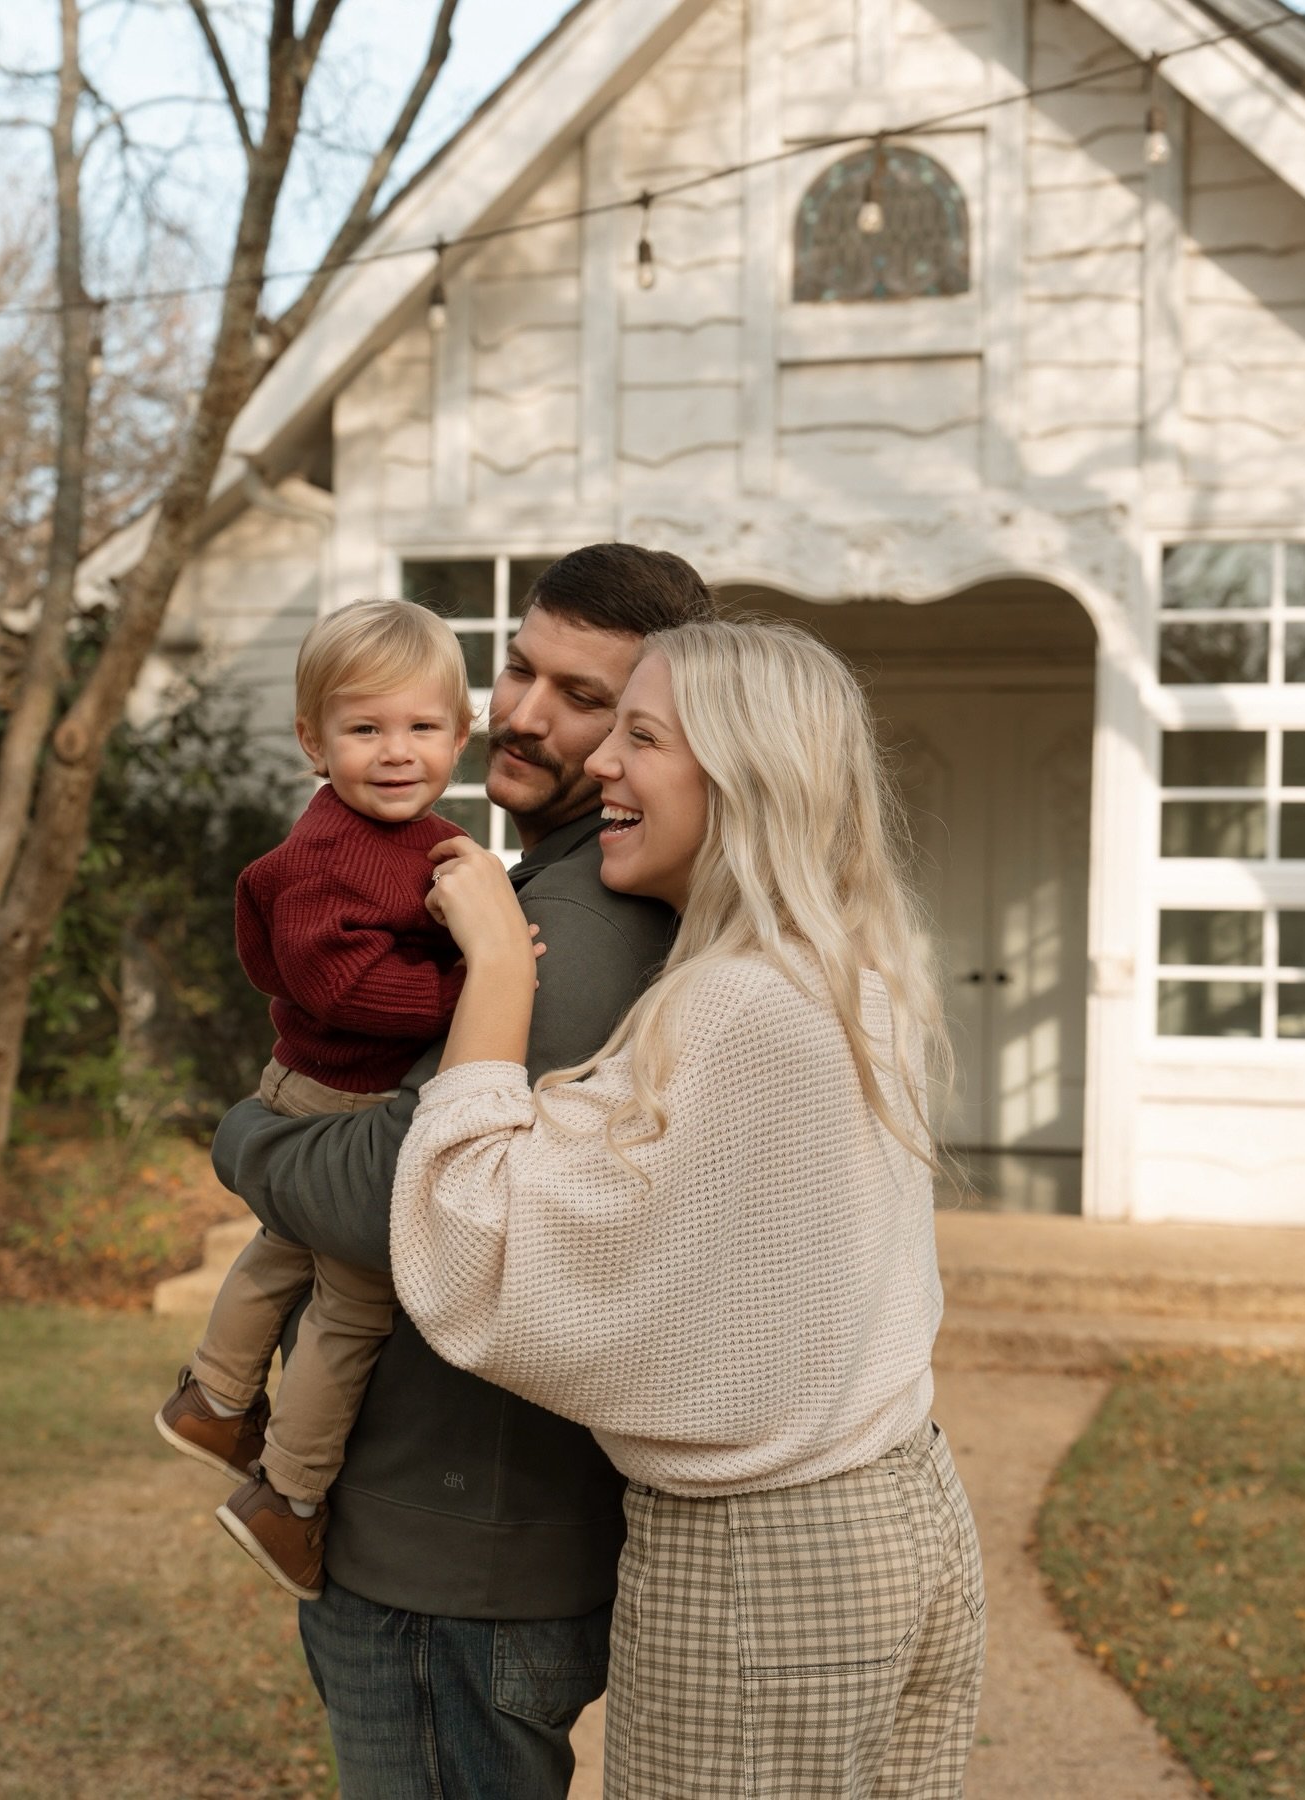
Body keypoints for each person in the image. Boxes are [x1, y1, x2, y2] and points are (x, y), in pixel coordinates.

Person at [390, 618, 987, 1799]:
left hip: (763, 1560)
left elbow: (475, 1239)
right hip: (907, 1514)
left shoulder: (733, 1009)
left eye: (643, 737)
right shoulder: (850, 967)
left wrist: (499, 967)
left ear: (745, 774)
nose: (603, 761)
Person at [210, 545, 717, 1798]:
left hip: (452, 1569)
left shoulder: (574, 924)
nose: (524, 715)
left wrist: (245, 1137)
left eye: (585, 699)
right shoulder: (518, 882)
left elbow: (395, 1196)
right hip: (443, 1539)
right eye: (518, 668)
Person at [156, 599, 479, 1601]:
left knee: (282, 1245)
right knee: (353, 1305)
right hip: (343, 1098)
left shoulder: (421, 839)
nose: (397, 751)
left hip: (319, 1084)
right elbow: (347, 985)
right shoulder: (329, 856)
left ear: (460, 734)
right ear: (314, 741)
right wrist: (478, 982)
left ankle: (214, 1398)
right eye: (365, 728)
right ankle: (289, 1497)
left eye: (422, 726)